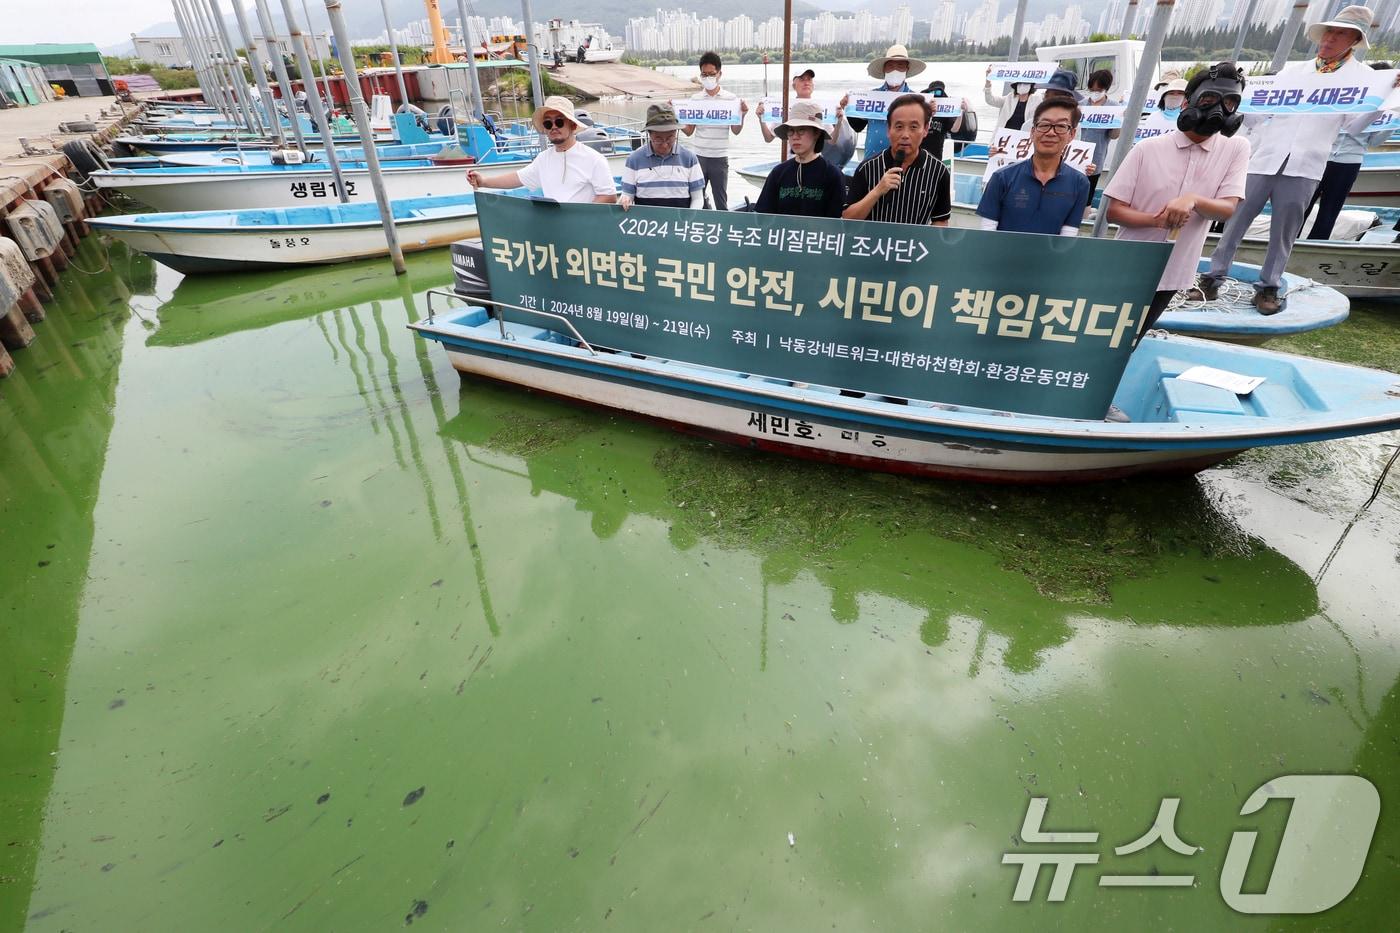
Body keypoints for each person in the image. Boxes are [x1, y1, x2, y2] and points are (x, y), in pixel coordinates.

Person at [1201, 6, 1397, 312]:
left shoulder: (1365, 78)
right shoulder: (1292, 72)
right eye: (1328, 31)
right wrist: (1241, 98)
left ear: (1355, 39)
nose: (1330, 38)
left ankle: (1268, 287)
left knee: (1285, 230)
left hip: (1307, 164)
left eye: (1340, 33)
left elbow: (1353, 126)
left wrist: (1381, 104)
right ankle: (1212, 278)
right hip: (1265, 158)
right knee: (1235, 220)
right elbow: (1258, 117)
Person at [1104, 63, 1250, 331]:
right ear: (1187, 102)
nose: (1218, 109)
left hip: (1176, 269)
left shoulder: (1236, 149)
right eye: (1208, 100)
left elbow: (1227, 209)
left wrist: (1193, 200)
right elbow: (1114, 212)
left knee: (1135, 336)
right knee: (1108, 335)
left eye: (1229, 103)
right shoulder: (1148, 149)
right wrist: (1156, 221)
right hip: (1127, 266)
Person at [467, 95, 617, 204]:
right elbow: (517, 178)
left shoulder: (595, 159)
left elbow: (609, 196)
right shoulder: (543, 159)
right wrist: (483, 181)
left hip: (584, 233)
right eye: (548, 124)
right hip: (553, 232)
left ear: (572, 125)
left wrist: (577, 217)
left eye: (559, 121)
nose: (554, 127)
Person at [1306, 61, 1395, 240]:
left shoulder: (1385, 107)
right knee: (1301, 203)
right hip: (1322, 154)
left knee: (1329, 210)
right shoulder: (1348, 94)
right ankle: (1285, 240)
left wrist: (1392, 122)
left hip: (1349, 162)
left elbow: (1375, 141)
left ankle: (1315, 245)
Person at [976, 98, 1090, 236]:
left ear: (1071, 134)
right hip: (1003, 257)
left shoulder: (1080, 183)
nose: (1051, 132)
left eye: (1061, 126)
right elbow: (987, 233)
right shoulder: (1001, 177)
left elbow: (1068, 236)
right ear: (1032, 131)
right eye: (1044, 125)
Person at [843, 94, 952, 226]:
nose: (905, 135)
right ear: (888, 129)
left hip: (913, 244)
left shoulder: (938, 171)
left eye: (913, 127)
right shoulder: (868, 167)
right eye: (899, 127)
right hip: (873, 245)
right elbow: (848, 219)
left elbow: (940, 220)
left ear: (925, 129)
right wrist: (877, 191)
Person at [680, 51, 748, 211]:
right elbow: (689, 130)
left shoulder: (730, 99)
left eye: (711, 74)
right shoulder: (695, 99)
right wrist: (677, 117)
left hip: (719, 157)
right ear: (700, 75)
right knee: (696, 198)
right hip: (699, 156)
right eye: (704, 75)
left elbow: (736, 130)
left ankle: (722, 229)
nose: (708, 78)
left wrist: (742, 115)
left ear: (719, 74)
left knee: (721, 200)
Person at [755, 100, 847, 218]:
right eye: (791, 131)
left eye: (801, 130)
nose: (795, 137)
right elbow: (763, 217)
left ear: (817, 133)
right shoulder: (778, 173)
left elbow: (836, 222)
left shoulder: (832, 175)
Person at [757, 68, 858, 170]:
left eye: (809, 79)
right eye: (802, 79)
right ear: (794, 85)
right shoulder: (784, 107)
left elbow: (832, 141)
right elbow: (768, 137)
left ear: (813, 85)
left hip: (815, 163)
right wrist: (761, 118)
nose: (806, 83)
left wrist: (839, 123)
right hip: (791, 163)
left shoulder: (822, 108)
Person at [845, 44, 928, 161]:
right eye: (890, 66)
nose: (895, 70)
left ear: (907, 69)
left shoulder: (916, 100)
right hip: (871, 162)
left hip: (904, 162)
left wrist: (930, 111)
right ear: (884, 69)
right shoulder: (871, 96)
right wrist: (849, 107)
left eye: (900, 66)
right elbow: (857, 126)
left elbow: (924, 129)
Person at [620, 103, 704, 210]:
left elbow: (697, 198)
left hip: (680, 222)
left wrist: (689, 219)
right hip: (646, 223)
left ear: (676, 133)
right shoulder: (634, 159)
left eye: (670, 138)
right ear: (649, 134)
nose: (664, 145)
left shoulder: (689, 159)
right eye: (658, 139)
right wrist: (625, 199)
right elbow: (628, 195)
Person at [1078, 69, 1121, 205]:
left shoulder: (1114, 107)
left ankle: (1084, 218)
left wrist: (1118, 121)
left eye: (1099, 89)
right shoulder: (1082, 104)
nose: (1095, 93)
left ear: (1106, 89)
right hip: (1077, 154)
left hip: (1097, 156)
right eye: (1092, 90)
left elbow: (1114, 136)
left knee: (1088, 196)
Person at [920, 80, 973, 161]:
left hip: (936, 152)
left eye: (937, 92)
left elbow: (954, 130)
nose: (935, 94)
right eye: (932, 92)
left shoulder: (945, 110)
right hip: (919, 149)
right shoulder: (921, 107)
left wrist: (960, 113)